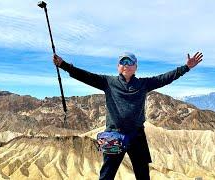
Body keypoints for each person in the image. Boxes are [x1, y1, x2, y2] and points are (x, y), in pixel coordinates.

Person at [53, 52, 203, 180]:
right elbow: (85, 76)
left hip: (137, 135)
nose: (126, 64)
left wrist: (186, 67)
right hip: (113, 134)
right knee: (107, 175)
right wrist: (63, 65)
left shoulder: (143, 84)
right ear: (118, 67)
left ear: (136, 67)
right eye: (122, 62)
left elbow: (165, 78)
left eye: (129, 62)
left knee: (143, 174)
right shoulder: (108, 82)